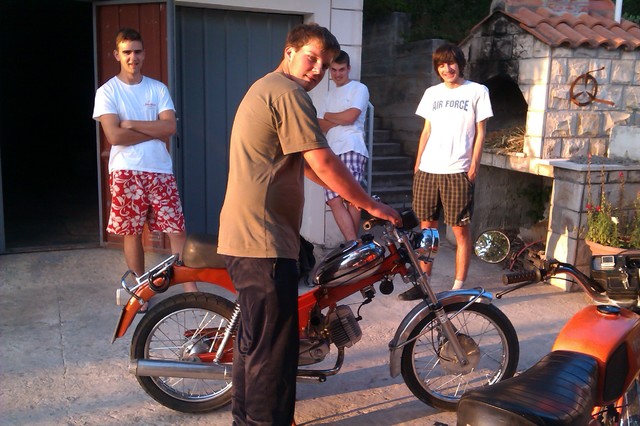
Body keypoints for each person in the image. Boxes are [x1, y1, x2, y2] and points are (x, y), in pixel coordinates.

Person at [217, 23, 401, 425]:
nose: (317, 69)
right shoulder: (289, 94)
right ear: (289, 52)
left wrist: (351, 196)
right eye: (311, 58)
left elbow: (306, 165)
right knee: (273, 353)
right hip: (263, 238)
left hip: (250, 236)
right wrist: (371, 204)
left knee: (255, 344)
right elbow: (323, 159)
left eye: (325, 63)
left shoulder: (267, 88)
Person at [93, 27, 197, 309]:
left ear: (144, 53)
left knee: (176, 229)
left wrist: (131, 124)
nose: (133, 57)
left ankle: (189, 287)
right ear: (117, 55)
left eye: (137, 51)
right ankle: (140, 291)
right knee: (132, 232)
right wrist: (153, 130)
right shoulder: (107, 92)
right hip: (125, 171)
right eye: (126, 52)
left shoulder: (157, 88)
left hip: (160, 169)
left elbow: (170, 127)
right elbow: (114, 136)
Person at [399, 42, 493, 301]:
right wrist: (418, 161)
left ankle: (458, 286)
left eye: (451, 63)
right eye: (441, 65)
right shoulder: (432, 93)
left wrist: (474, 165)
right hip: (428, 170)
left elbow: (481, 132)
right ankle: (424, 281)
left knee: (459, 230)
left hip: (458, 171)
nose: (447, 69)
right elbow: (427, 130)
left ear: (460, 64)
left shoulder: (477, 91)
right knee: (427, 230)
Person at [316, 50, 370, 241]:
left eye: (341, 69)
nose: (337, 74)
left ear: (348, 69)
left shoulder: (359, 88)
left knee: (352, 199)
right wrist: (340, 119)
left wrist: (329, 116)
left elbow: (351, 117)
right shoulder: (327, 95)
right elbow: (320, 125)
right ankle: (353, 244)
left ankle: (352, 246)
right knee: (333, 199)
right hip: (330, 150)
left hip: (352, 146)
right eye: (334, 70)